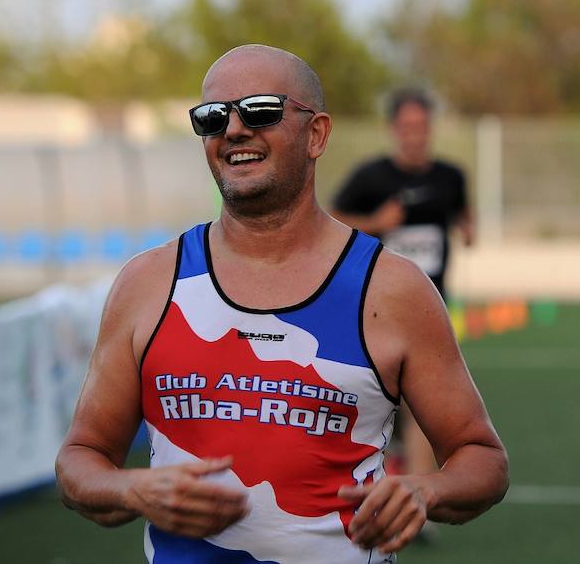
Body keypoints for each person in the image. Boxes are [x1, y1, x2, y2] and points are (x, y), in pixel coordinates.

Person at [55, 44, 507, 564]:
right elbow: (80, 459)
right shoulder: (148, 282)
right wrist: (132, 489)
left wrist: (425, 491)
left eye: (261, 110)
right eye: (212, 117)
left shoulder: (392, 289)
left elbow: (483, 460)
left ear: (316, 134)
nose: (234, 129)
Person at [330, 89, 474, 483]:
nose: (415, 134)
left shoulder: (450, 176)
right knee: (383, 401)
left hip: (434, 306)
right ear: (393, 129)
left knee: (421, 405)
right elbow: (331, 220)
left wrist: (466, 227)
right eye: (406, 126)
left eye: (421, 126)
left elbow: (462, 210)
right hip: (377, 308)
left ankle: (417, 498)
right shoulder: (372, 176)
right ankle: (389, 469)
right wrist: (378, 222)